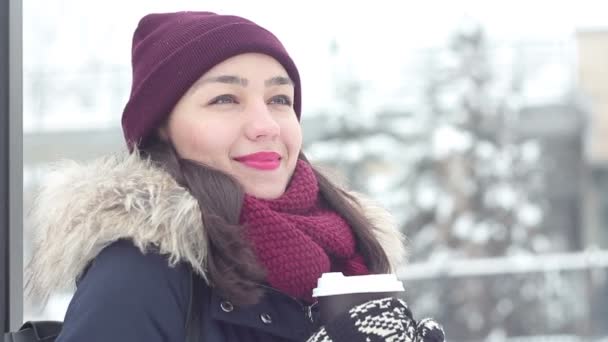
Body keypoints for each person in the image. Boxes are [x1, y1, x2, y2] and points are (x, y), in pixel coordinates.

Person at [25, 11, 444, 342]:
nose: (266, 125)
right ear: (160, 129)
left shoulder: (349, 251)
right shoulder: (139, 274)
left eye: (279, 99)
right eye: (225, 99)